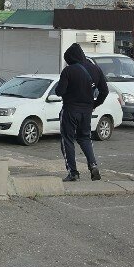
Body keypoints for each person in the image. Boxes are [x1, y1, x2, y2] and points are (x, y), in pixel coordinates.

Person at [55, 43, 109, 182]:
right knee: (85, 138)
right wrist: (94, 104)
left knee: (67, 140)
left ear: (70, 58)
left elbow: (59, 91)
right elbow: (105, 91)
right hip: (87, 112)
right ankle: (93, 165)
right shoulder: (96, 69)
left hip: (70, 110)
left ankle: (73, 173)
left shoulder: (68, 71)